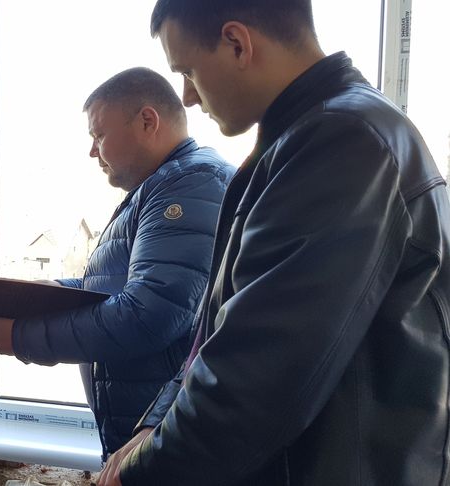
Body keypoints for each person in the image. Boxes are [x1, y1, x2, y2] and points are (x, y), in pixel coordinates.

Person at [97, 1, 450, 485]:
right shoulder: (307, 137)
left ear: (237, 43)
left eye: (188, 72)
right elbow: (218, 337)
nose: (188, 96)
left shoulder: (342, 142)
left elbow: (256, 377)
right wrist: (155, 425)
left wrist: (142, 472)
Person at [0, 67, 234, 460]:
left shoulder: (191, 184)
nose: (93, 151)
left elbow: (149, 315)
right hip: (147, 437)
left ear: (147, 121)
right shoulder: (164, 186)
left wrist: (23, 338)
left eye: (99, 135)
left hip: (170, 445)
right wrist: (51, 293)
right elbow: (118, 287)